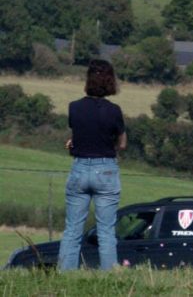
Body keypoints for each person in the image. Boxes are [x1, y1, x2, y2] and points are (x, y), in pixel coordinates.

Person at [58, 60, 126, 271]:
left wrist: (74, 144)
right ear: (110, 82)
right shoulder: (114, 110)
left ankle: (65, 275)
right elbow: (122, 144)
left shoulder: (74, 107)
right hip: (105, 169)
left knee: (72, 230)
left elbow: (77, 135)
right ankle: (107, 278)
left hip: (79, 168)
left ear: (87, 81)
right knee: (106, 231)